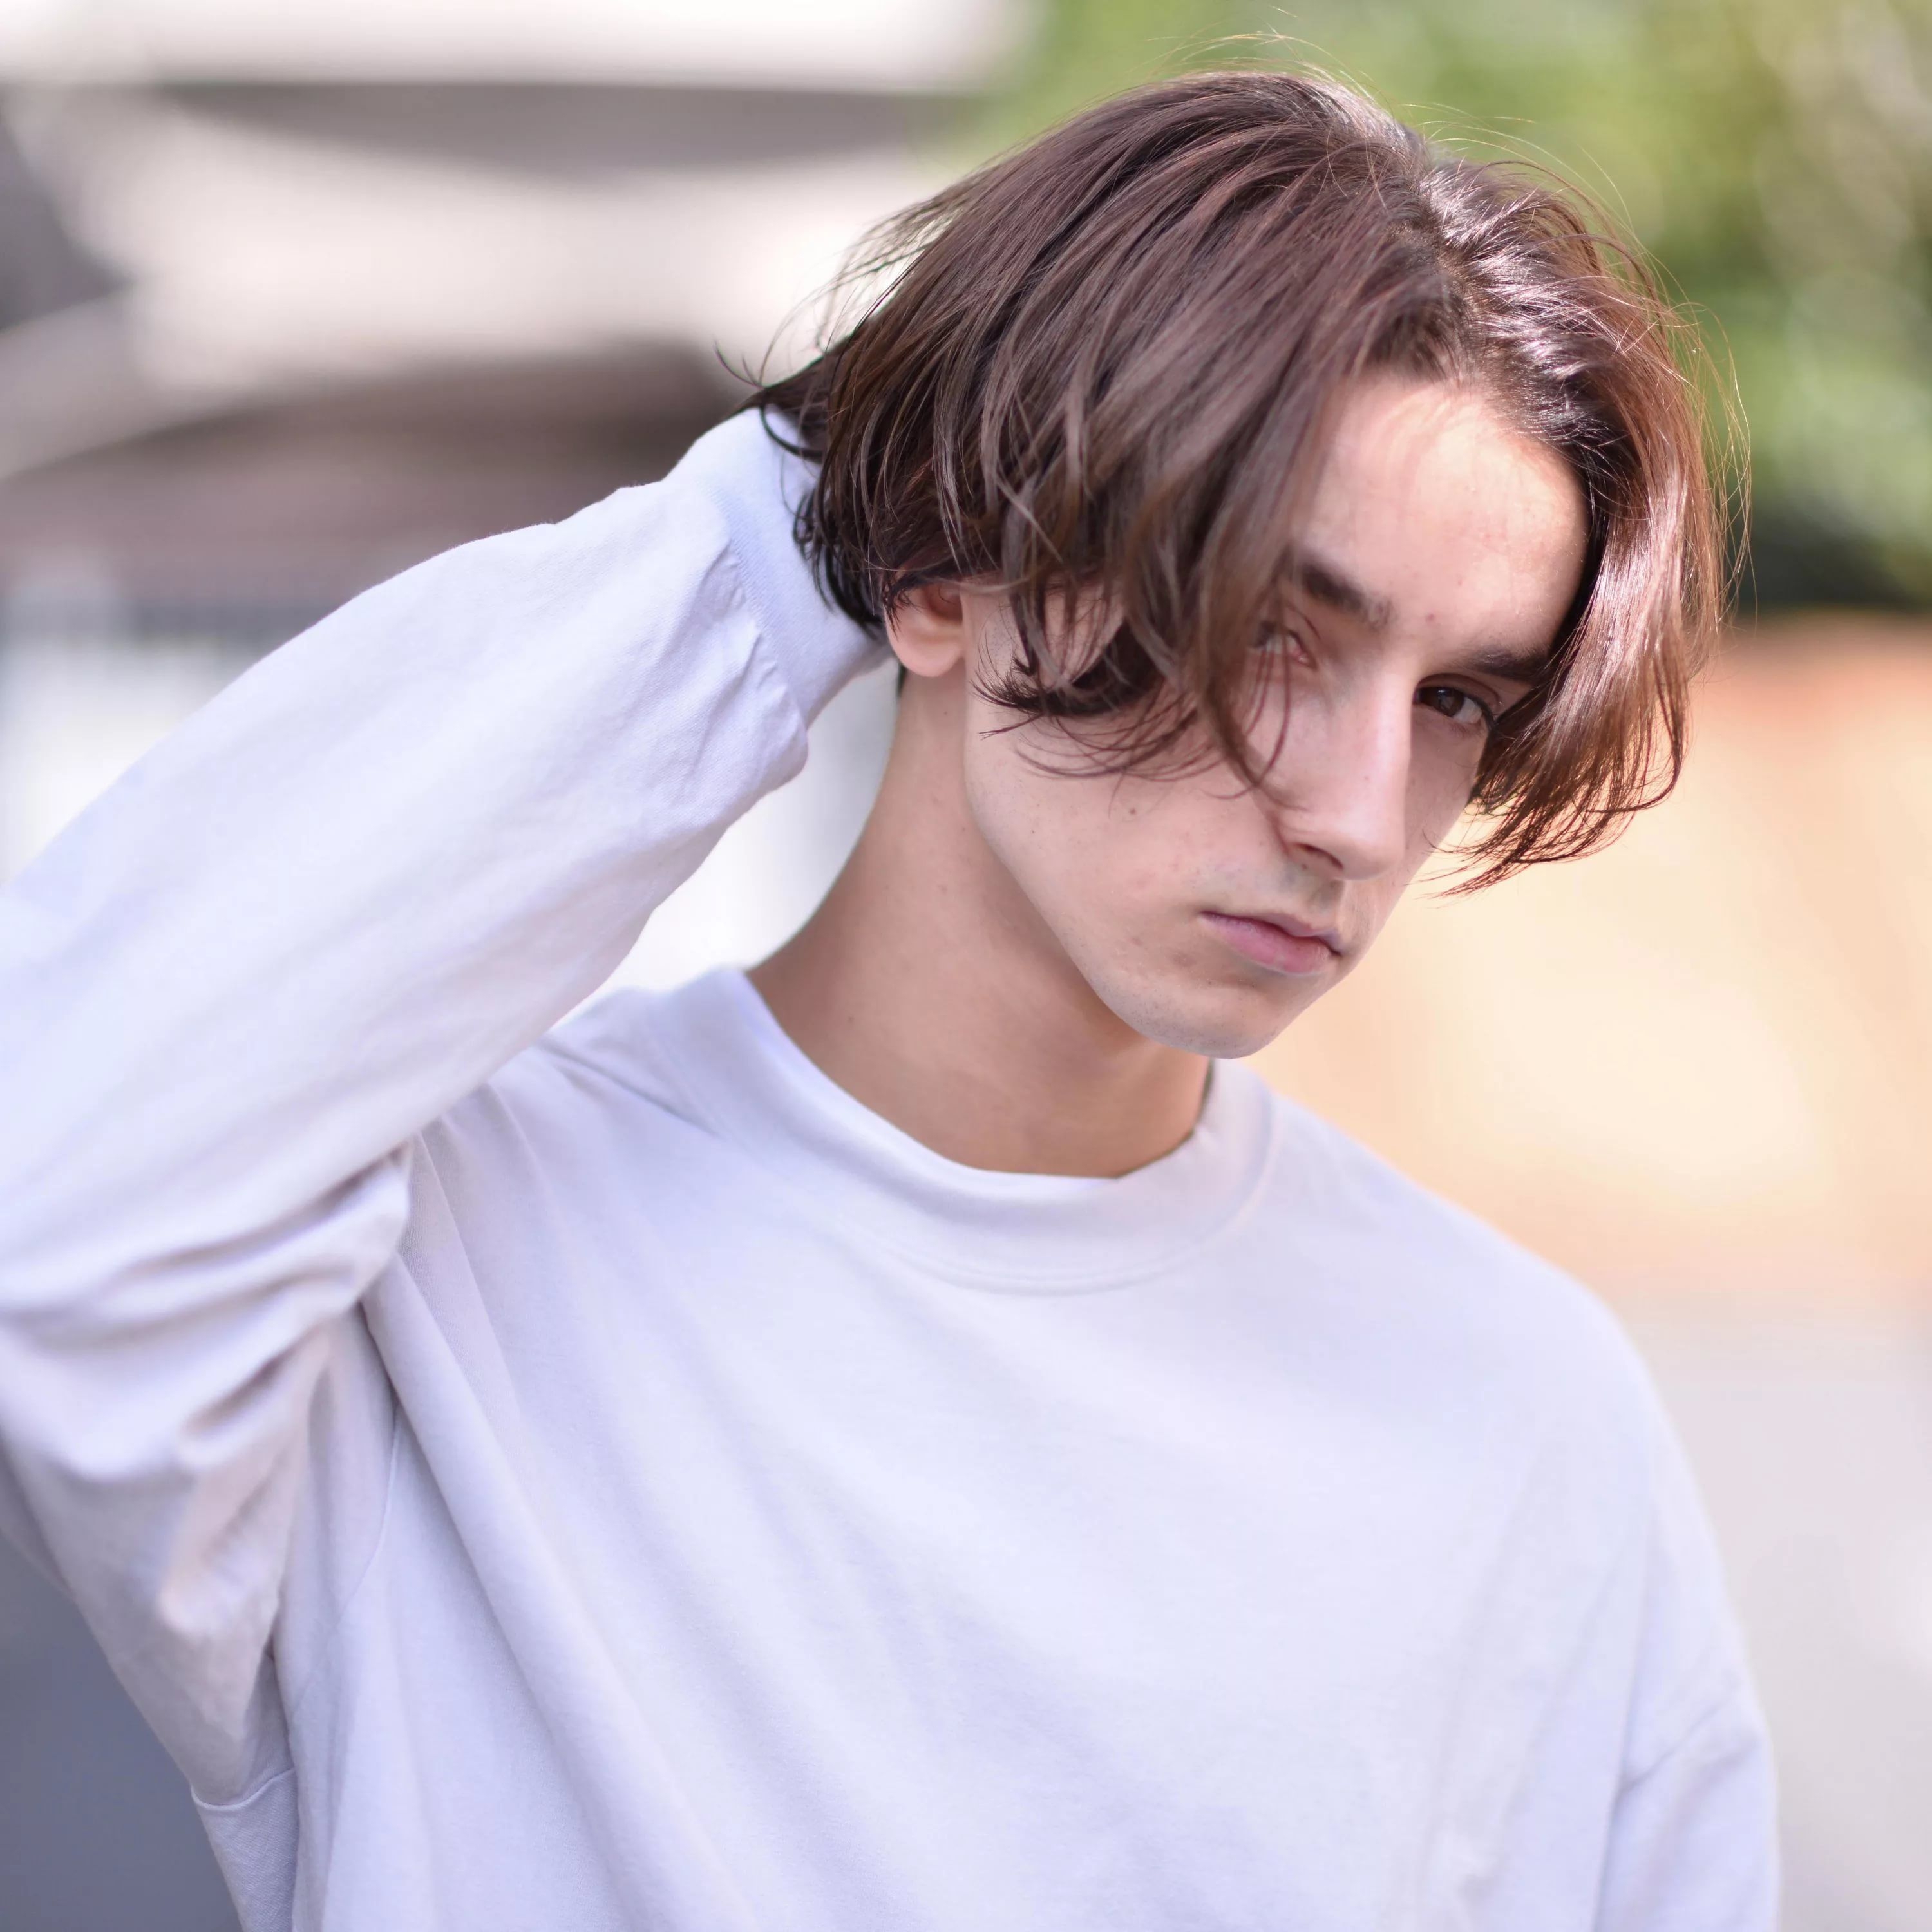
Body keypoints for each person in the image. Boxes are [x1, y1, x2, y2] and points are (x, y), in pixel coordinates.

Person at [0, 70, 1774, 1931]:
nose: (1358, 811)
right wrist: (810, 509)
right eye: (1271, 623)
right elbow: (52, 1199)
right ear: (941, 565)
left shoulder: (1522, 1417)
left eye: (1456, 700)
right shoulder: (427, 1275)